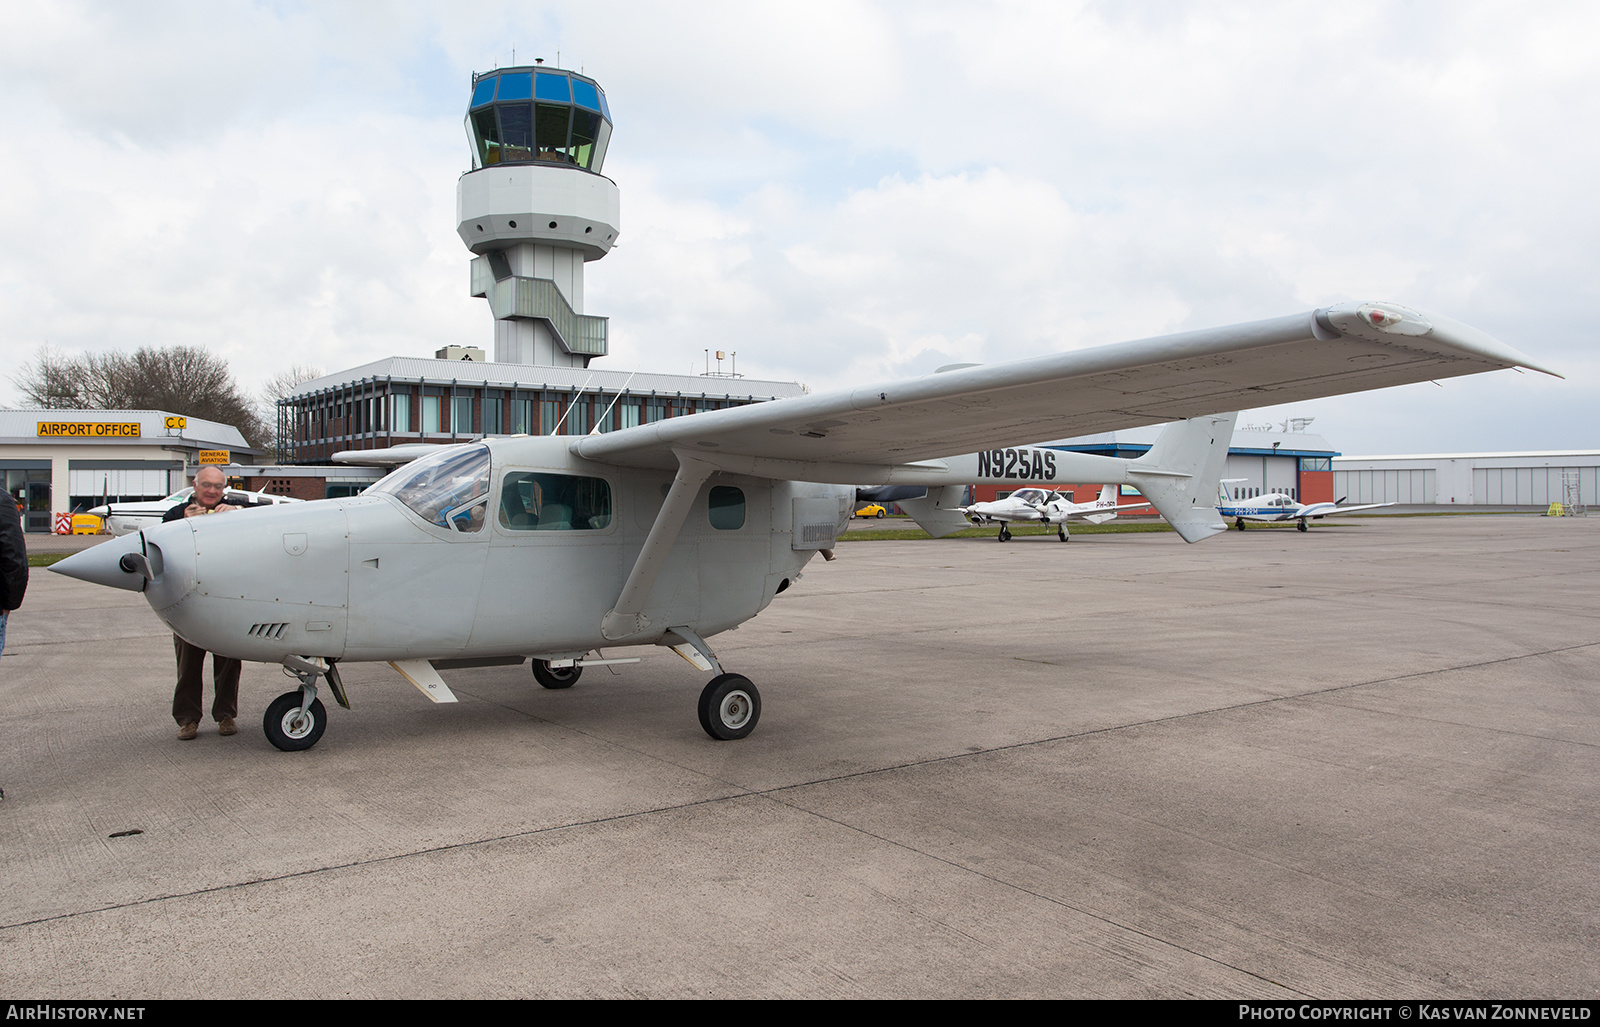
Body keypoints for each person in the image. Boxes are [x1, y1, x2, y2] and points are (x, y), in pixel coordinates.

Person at [163, 467, 246, 740]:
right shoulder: (175, 515)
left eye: (218, 486)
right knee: (188, 666)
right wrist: (181, 524)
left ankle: (226, 716)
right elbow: (160, 544)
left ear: (225, 489)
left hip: (227, 603)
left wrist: (237, 514)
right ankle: (187, 720)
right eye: (207, 485)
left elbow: (264, 521)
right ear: (194, 486)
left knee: (229, 663)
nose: (212, 491)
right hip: (188, 604)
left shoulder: (238, 511)